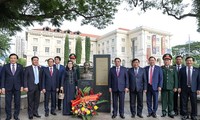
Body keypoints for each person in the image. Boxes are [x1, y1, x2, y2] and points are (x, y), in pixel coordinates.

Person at [1, 53, 24, 120]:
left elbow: (22, 77)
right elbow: (3, 77)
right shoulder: (5, 66)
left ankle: (16, 115)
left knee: (17, 102)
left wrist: (22, 86)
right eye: (11, 58)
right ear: (9, 59)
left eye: (14, 58)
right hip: (8, 87)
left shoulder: (20, 66)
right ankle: (8, 116)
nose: (13, 59)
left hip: (17, 87)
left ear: (16, 59)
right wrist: (2, 87)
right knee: (8, 102)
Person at [161, 54, 178, 118]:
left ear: (170, 61)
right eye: (165, 60)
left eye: (168, 60)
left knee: (171, 100)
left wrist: (175, 87)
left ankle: (170, 111)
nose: (166, 61)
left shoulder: (173, 68)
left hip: (171, 87)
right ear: (163, 61)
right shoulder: (161, 68)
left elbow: (175, 78)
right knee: (164, 100)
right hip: (164, 87)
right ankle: (164, 111)